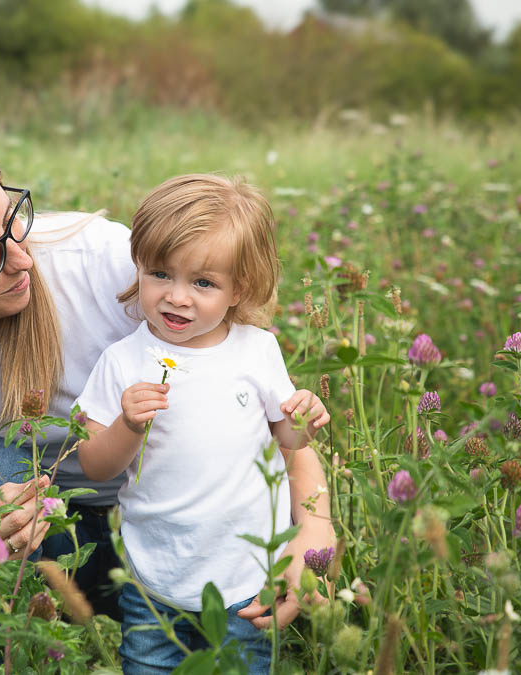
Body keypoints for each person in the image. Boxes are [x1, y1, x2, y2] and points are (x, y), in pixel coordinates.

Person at [0, 131, 333, 623]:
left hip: (196, 527)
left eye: (12, 221)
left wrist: (314, 527)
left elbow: (248, 392)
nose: (23, 258)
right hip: (56, 551)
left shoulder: (114, 269)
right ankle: (22, 641)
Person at [74, 174, 334, 672]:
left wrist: (304, 421)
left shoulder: (256, 350)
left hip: (247, 577)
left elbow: (287, 440)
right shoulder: (122, 362)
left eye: (203, 283)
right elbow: (95, 466)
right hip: (156, 581)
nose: (177, 297)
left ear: (241, 289)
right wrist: (128, 425)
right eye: (160, 274)